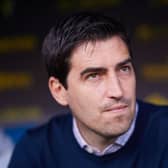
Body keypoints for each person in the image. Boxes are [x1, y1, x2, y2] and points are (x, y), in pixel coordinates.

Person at [9, 12, 168, 168]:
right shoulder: (37, 151)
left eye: (124, 69)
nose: (117, 91)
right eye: (94, 76)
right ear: (59, 91)